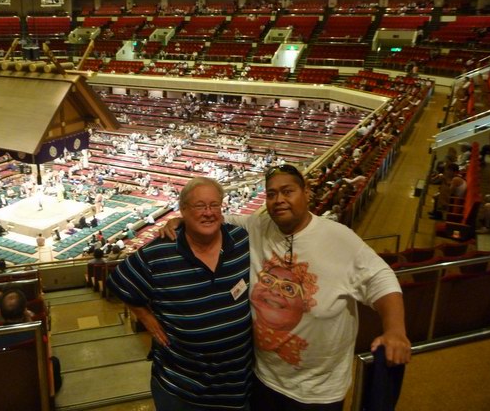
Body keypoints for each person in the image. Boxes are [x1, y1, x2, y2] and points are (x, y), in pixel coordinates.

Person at [161, 165, 410, 410]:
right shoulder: (258, 226)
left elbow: (382, 279)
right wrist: (182, 219)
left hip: (318, 393)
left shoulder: (339, 238)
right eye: (271, 194)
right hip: (263, 379)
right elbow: (215, 219)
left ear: (306, 193)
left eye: (287, 191)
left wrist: (395, 330)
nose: (279, 200)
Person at [107, 177, 253, 410]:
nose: (208, 212)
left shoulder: (242, 239)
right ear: (183, 210)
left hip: (238, 385)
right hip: (181, 388)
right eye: (199, 206)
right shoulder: (158, 252)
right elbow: (118, 281)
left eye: (214, 205)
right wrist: (146, 318)